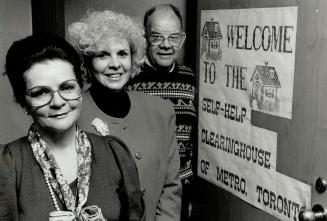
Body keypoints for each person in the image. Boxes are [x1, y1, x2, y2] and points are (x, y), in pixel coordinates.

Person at [0, 34, 145, 221]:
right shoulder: (8, 165)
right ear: (24, 103)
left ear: (80, 89)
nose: (58, 102)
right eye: (41, 92)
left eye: (67, 87)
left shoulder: (114, 154)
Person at [68, 10, 182, 221]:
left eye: (122, 53)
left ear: (133, 58)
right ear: (88, 62)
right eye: (103, 55)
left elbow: (171, 187)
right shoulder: (70, 114)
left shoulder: (161, 111)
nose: (115, 64)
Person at [126, 4, 197, 220]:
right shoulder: (128, 77)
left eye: (173, 37)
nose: (166, 45)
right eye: (157, 37)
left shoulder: (189, 77)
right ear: (145, 37)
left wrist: (189, 193)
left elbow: (192, 141)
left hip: (180, 189)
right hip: (139, 189)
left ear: (182, 38)